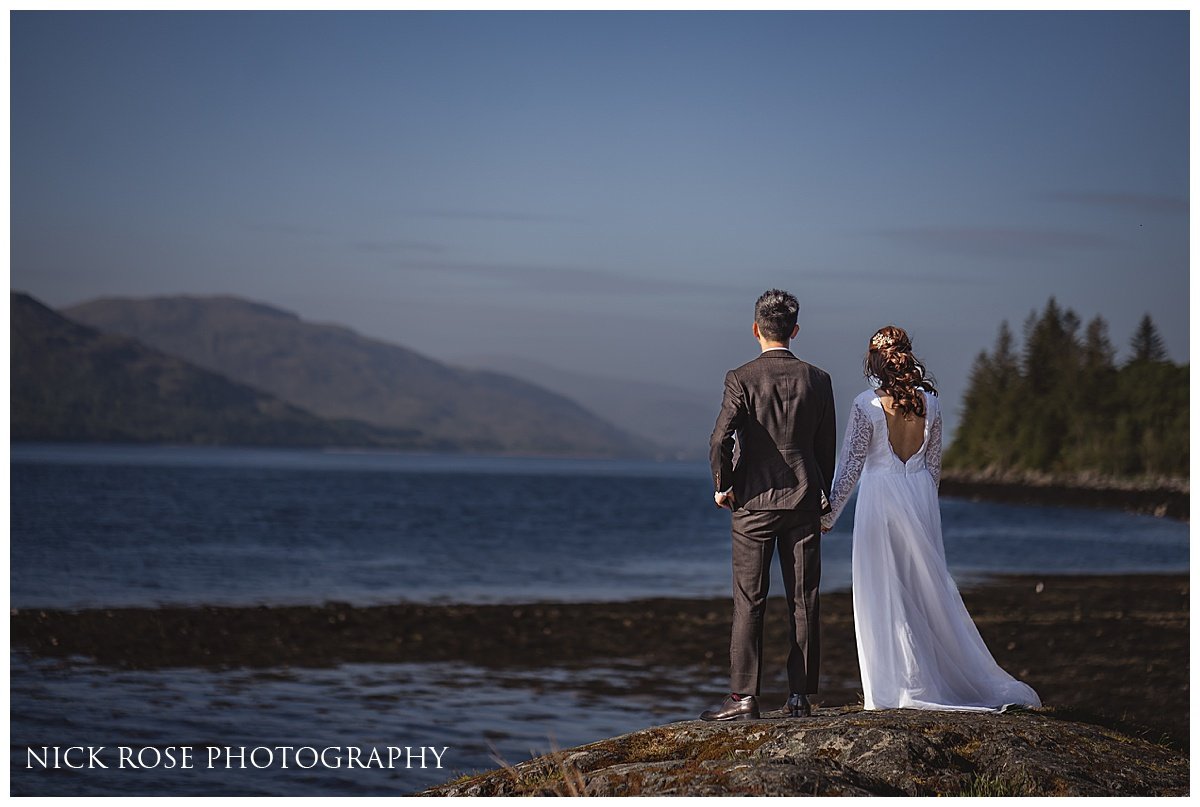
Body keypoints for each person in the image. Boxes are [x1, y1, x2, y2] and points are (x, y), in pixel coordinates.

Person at [821, 325, 1041, 712]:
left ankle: (901, 685)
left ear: (873, 362)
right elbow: (934, 466)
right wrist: (924, 510)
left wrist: (826, 518)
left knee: (886, 590)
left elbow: (851, 467)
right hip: (919, 496)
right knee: (923, 589)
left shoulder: (865, 405)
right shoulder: (932, 405)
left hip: (882, 499)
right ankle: (924, 677)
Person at [701, 289, 836, 721]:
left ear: (756, 328)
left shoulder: (740, 377)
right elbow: (825, 448)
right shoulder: (819, 379)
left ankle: (743, 698)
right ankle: (799, 697)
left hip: (753, 502)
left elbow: (720, 438)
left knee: (749, 599)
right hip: (803, 499)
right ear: (794, 331)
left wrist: (723, 485)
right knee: (804, 598)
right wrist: (822, 494)